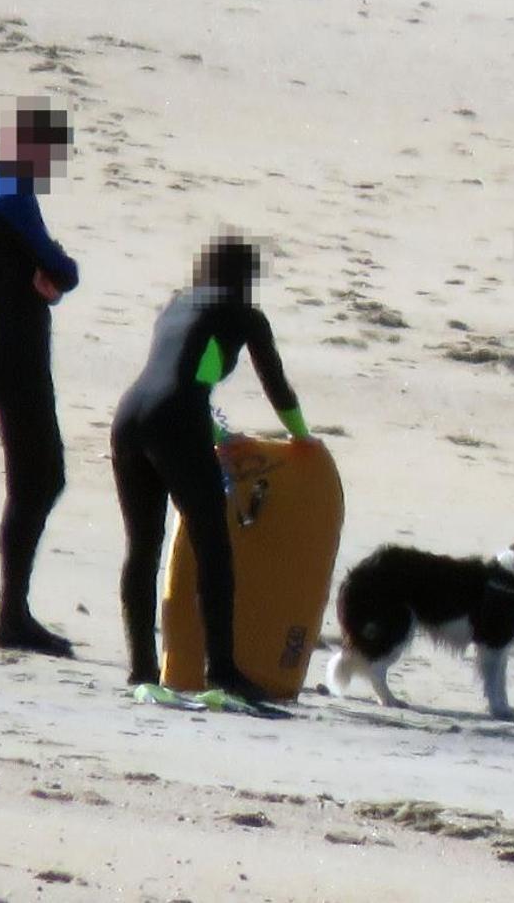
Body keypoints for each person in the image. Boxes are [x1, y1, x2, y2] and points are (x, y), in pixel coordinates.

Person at [111, 234, 311, 701]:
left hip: (129, 418)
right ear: (247, 279)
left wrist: (219, 436)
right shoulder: (245, 317)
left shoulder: (176, 304)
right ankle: (221, 669)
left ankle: (142, 669)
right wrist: (303, 438)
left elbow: (179, 374)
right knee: (213, 547)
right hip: (176, 420)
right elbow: (276, 387)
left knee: (143, 546)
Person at [0, 97, 78, 658]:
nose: (55, 166)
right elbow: (63, 271)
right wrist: (55, 273)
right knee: (40, 480)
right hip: (14, 356)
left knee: (37, 481)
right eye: (54, 154)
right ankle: (12, 616)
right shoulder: (13, 194)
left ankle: (15, 612)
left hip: (4, 349)